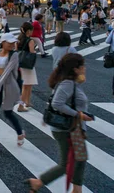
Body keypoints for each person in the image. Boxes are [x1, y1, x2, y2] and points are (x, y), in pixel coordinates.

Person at [25, 53, 92, 193]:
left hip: (74, 127)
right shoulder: (67, 83)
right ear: (75, 69)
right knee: (66, 163)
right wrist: (78, 114)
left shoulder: (69, 81)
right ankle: (38, 182)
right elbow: (57, 103)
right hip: (67, 128)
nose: (85, 68)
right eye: (82, 66)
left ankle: (77, 189)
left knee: (80, 158)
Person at [18, 22, 38, 112]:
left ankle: (27, 102)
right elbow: (32, 52)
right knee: (26, 86)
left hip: (21, 63)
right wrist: (35, 51)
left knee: (28, 84)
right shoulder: (30, 41)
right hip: (28, 65)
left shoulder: (19, 38)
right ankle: (21, 105)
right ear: (29, 31)